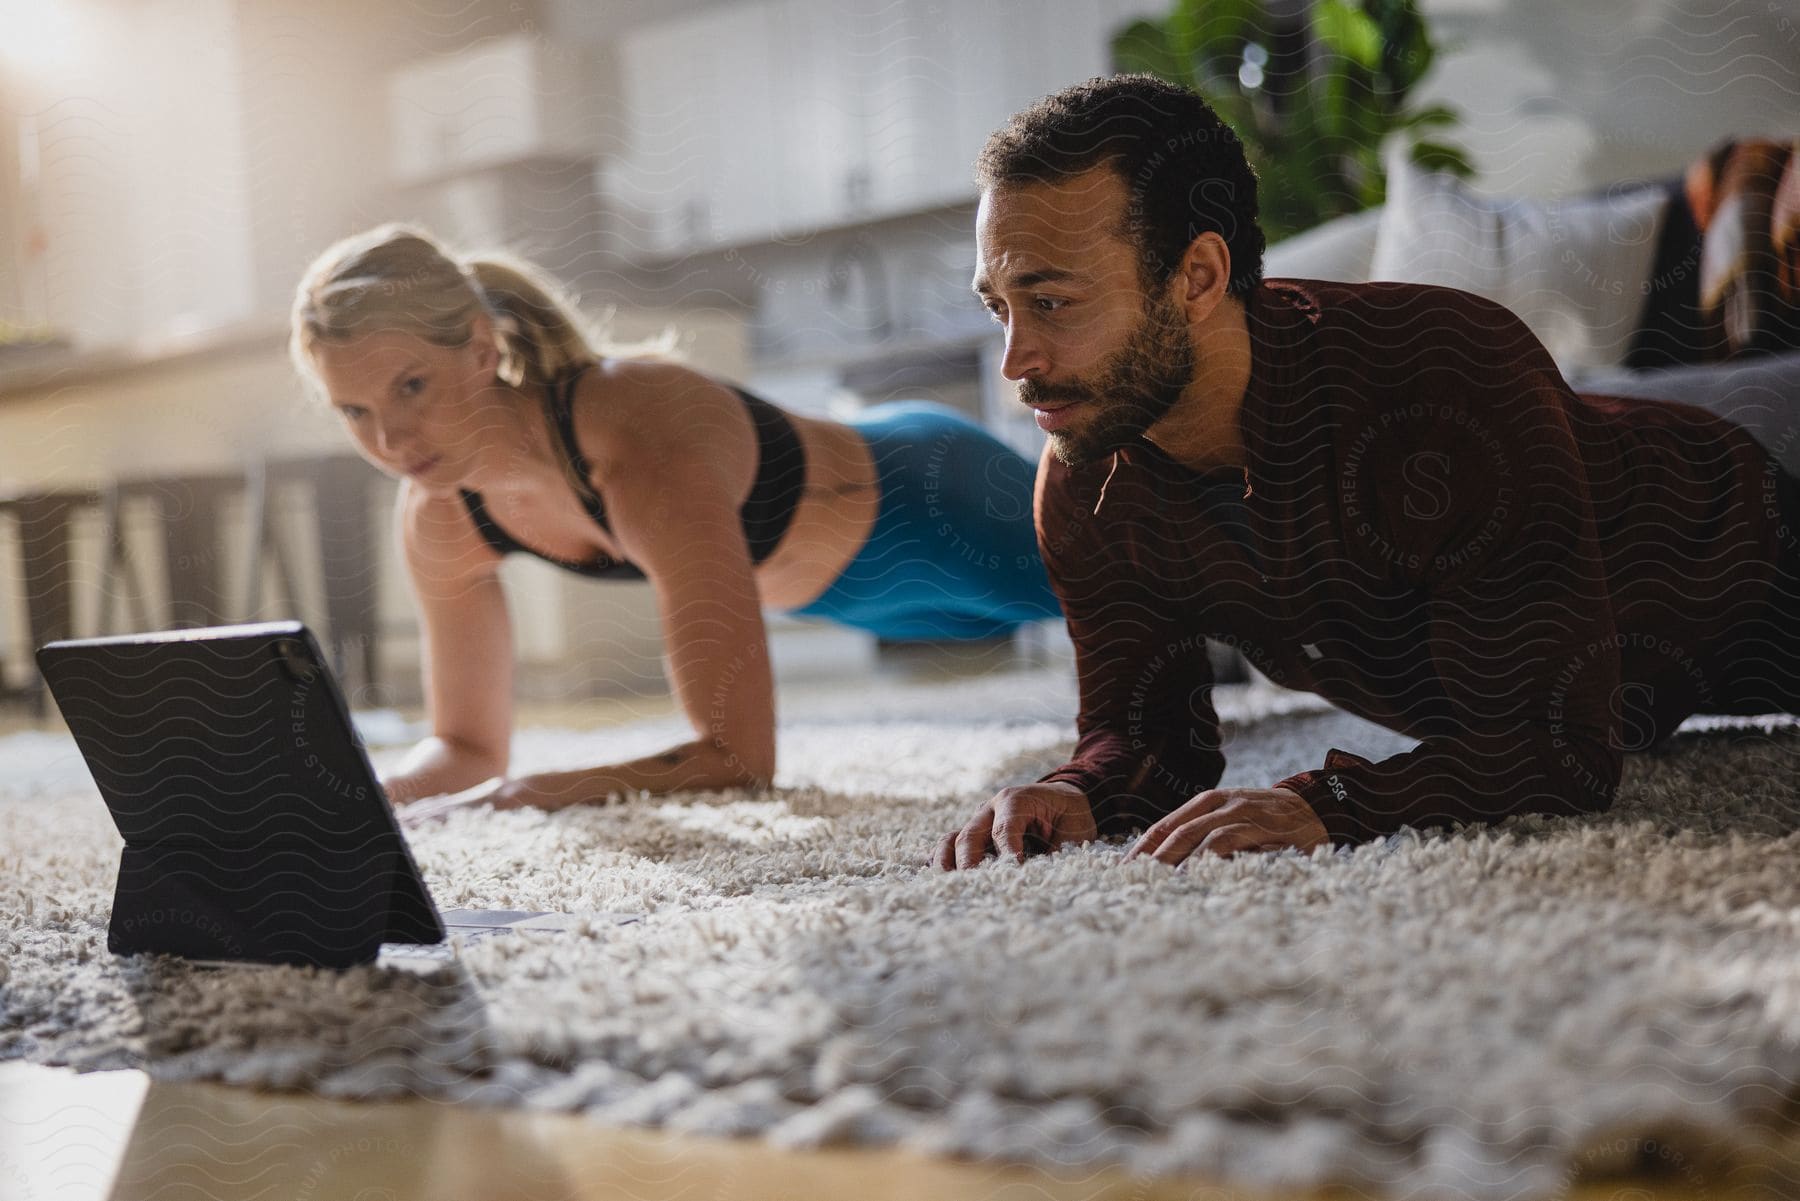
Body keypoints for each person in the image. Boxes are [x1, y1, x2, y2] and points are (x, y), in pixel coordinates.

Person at [937, 75, 1800, 870]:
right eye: (998, 307)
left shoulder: (1440, 371)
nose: (1016, 361)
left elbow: (1558, 747)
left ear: (1196, 276)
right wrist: (1082, 787)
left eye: (1050, 302)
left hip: (1752, 559)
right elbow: (1145, 738)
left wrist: (1332, 801)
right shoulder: (1086, 479)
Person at [289, 224, 1059, 815]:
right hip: (846, 599)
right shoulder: (439, 513)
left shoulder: (636, 432)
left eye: (412, 386)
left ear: (481, 351)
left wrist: (543, 789)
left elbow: (738, 757)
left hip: (934, 506)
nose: (388, 439)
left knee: (1166, 593)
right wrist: (357, 802)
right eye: (355, 411)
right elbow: (464, 748)